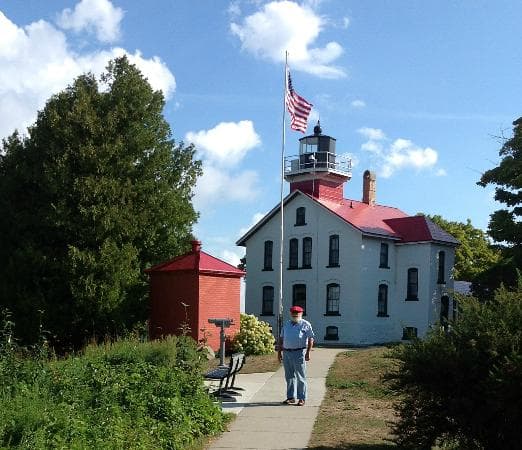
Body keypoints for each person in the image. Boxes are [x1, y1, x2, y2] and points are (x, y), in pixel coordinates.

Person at [278, 305, 315, 406]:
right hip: (286, 353)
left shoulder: (305, 324)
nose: (295, 315)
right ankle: (290, 397)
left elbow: (311, 338)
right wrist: (279, 353)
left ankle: (301, 398)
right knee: (289, 376)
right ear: (290, 314)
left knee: (300, 377)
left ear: (301, 314)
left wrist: (308, 352)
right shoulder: (286, 324)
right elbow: (281, 339)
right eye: (293, 313)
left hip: (299, 353)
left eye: (297, 313)